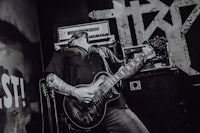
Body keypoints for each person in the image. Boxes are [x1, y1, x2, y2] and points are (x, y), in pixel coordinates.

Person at [45, 31, 155, 133]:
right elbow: (50, 79)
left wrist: (144, 60)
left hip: (113, 107)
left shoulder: (103, 50)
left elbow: (123, 73)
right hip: (81, 112)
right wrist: (75, 92)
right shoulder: (63, 52)